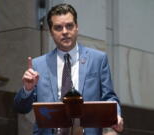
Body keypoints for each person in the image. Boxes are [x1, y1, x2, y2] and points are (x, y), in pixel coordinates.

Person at [14, 3, 124, 135]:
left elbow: (110, 98)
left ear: (77, 27)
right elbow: (21, 108)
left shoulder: (98, 59)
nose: (65, 32)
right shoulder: (39, 65)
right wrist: (28, 89)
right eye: (58, 28)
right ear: (51, 32)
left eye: (69, 26)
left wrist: (116, 116)